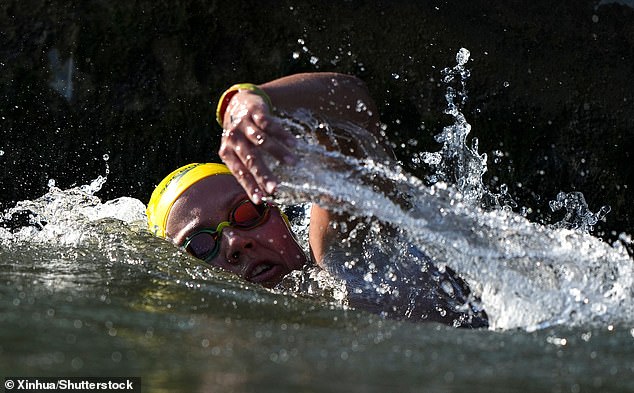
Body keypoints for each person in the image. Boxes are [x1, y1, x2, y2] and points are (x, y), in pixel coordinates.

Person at [147, 73, 488, 328]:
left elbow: (352, 114)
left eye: (247, 212)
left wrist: (246, 100)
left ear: (278, 212)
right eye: (202, 244)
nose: (235, 244)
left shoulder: (342, 257)